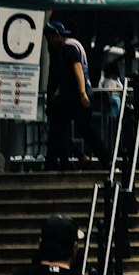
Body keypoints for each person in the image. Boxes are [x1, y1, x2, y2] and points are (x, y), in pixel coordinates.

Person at [44, 21, 110, 171]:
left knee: (66, 130)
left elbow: (77, 68)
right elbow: (67, 73)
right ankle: (102, 159)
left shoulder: (68, 48)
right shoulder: (73, 45)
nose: (49, 41)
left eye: (50, 37)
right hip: (70, 95)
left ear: (56, 35)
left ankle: (54, 164)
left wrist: (82, 93)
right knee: (68, 129)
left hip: (74, 96)